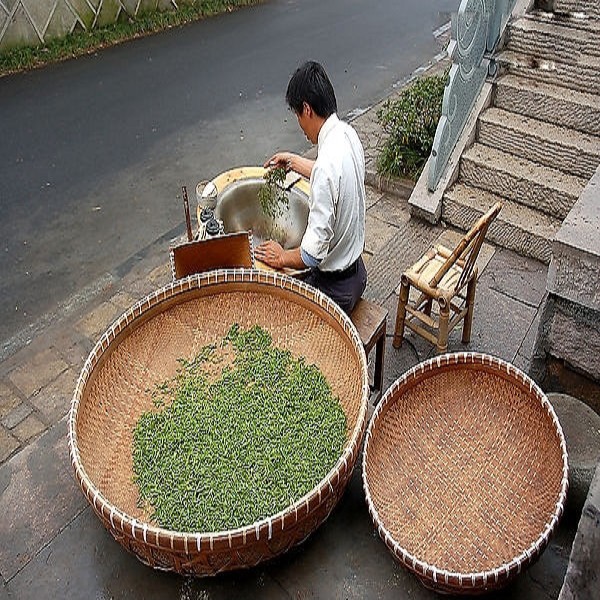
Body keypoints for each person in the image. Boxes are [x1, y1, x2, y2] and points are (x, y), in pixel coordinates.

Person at [255, 60, 367, 314]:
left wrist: (280, 256)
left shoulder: (327, 167)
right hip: (357, 273)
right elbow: (331, 177)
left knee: (275, 309)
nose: (300, 125)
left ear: (306, 109)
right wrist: (293, 162)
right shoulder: (347, 135)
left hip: (335, 289)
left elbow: (311, 255)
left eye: (297, 115)